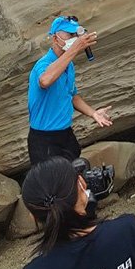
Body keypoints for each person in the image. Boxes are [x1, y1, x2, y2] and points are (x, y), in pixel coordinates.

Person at [27, 15, 111, 165]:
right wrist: (75, 48)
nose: (74, 38)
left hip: (65, 134)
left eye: (75, 35)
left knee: (76, 177)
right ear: (55, 39)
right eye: (69, 35)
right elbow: (45, 80)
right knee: (55, 185)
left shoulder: (69, 66)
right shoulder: (43, 64)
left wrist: (93, 113)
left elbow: (72, 96)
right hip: (44, 140)